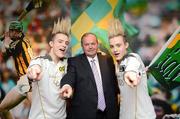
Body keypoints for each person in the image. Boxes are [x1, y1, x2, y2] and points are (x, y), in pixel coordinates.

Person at [60, 32, 119, 119]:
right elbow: (69, 76)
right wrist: (66, 85)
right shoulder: (74, 62)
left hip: (109, 113)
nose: (90, 47)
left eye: (93, 44)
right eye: (87, 44)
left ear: (97, 44)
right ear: (82, 46)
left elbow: (113, 84)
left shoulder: (107, 59)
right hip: (86, 113)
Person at [108, 18, 156, 119]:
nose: (115, 49)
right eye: (112, 46)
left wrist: (131, 75)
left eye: (118, 45)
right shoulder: (118, 66)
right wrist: (142, 73)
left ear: (126, 45)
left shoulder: (132, 58)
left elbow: (131, 69)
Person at [27, 17, 70, 119]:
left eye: (66, 43)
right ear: (51, 44)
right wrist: (33, 72)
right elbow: (33, 68)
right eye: (60, 41)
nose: (64, 45)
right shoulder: (39, 61)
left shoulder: (68, 64)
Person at [0, 21, 33, 117]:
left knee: (39, 111)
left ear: (15, 32)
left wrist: (5, 39)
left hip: (29, 79)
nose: (10, 33)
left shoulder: (19, 44)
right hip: (23, 82)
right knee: (3, 109)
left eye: (11, 31)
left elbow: (4, 52)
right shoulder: (22, 40)